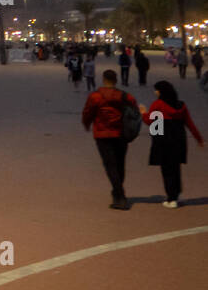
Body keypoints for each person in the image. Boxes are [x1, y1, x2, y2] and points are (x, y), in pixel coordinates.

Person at [140, 80, 203, 208]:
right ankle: (177, 194)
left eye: (156, 89)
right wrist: (199, 139)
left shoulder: (158, 104)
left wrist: (143, 113)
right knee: (175, 168)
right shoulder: (181, 105)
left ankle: (171, 198)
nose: (155, 92)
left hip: (163, 140)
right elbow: (189, 123)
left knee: (166, 170)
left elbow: (150, 121)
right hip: (179, 140)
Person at [82, 70, 139, 210]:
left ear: (103, 79)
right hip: (121, 133)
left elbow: (87, 112)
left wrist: (87, 123)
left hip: (102, 134)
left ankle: (120, 196)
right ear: (116, 80)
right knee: (120, 164)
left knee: (110, 166)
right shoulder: (125, 96)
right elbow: (134, 110)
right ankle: (117, 192)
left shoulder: (95, 96)